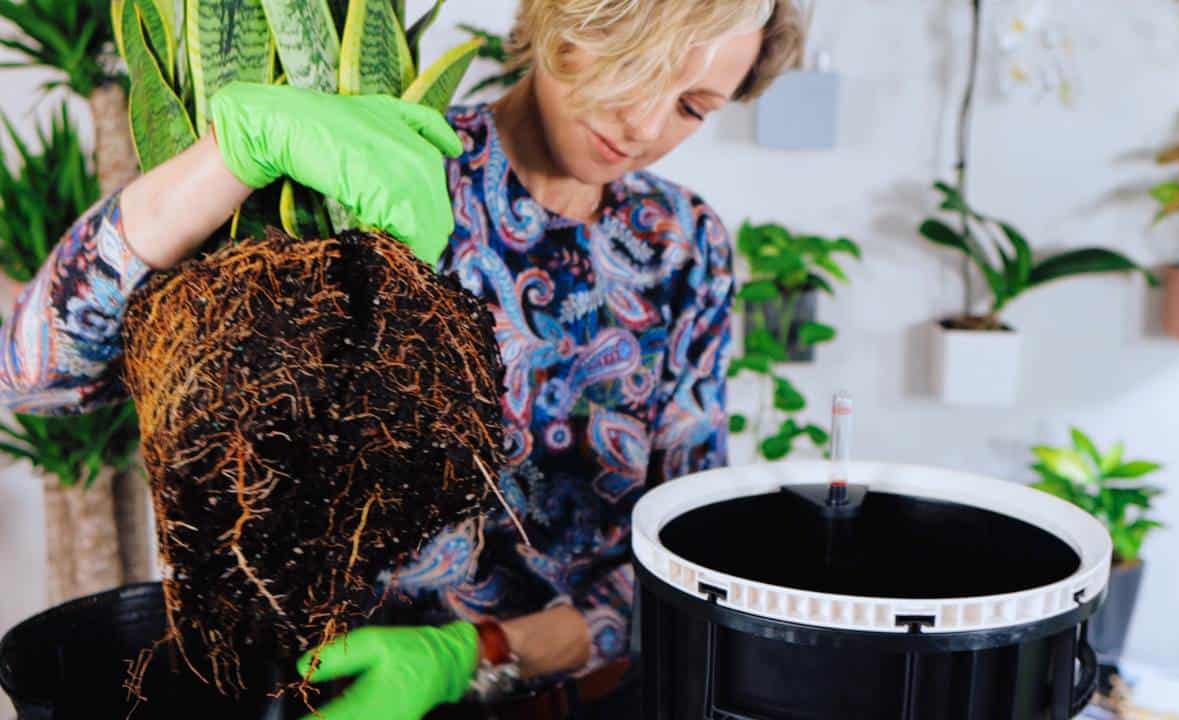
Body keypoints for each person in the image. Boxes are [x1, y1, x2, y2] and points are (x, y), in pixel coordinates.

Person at [0, 1, 804, 717]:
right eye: (638, 68)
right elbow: (37, 375)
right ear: (563, 17)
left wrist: (480, 653)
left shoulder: (681, 245)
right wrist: (230, 157)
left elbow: (685, 555)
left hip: (575, 694)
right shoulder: (374, 169)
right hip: (331, 692)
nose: (645, 124)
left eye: (692, 107)